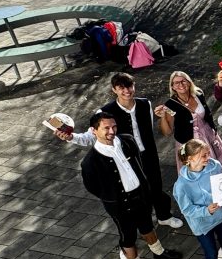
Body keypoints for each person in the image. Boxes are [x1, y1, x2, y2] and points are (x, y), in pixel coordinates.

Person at [61, 72, 183, 229]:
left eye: (129, 86)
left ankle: (164, 216)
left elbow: (148, 130)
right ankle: (144, 224)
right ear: (114, 90)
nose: (127, 91)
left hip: (148, 154)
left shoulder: (145, 104)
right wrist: (71, 137)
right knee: (136, 192)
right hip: (126, 159)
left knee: (156, 186)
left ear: (134, 86)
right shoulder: (105, 112)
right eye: (121, 88)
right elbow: (91, 136)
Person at [79, 112, 183, 259]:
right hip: (119, 205)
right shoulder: (90, 162)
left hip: (140, 195)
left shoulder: (127, 140)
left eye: (114, 126)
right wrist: (113, 197)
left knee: (147, 226)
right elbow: (92, 187)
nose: (112, 131)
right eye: (106, 128)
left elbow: (138, 162)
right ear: (94, 130)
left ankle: (158, 252)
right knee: (127, 236)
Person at [157, 71, 222, 170]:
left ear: (189, 82)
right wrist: (163, 117)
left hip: (208, 135)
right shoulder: (171, 105)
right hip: (188, 142)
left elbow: (207, 114)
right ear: (172, 87)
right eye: (176, 83)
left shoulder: (198, 94)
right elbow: (167, 132)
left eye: (183, 81)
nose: (181, 84)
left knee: (216, 166)